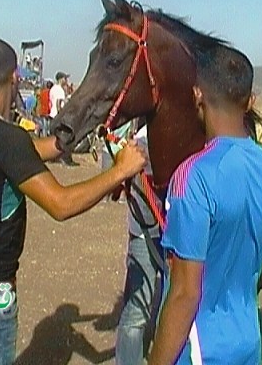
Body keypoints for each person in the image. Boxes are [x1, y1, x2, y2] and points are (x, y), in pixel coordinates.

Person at [0, 38, 146, 364]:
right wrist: (120, 171)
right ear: (15, 79)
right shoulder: (8, 138)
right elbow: (60, 204)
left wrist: (73, 135)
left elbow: (27, 154)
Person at [148, 46, 262, 365]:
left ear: (197, 95)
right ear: (250, 102)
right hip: (248, 340)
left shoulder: (192, 177)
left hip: (200, 350)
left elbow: (184, 294)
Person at [115, 124, 163, 365]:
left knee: (165, 307)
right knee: (136, 313)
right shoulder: (140, 143)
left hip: (174, 237)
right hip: (146, 233)